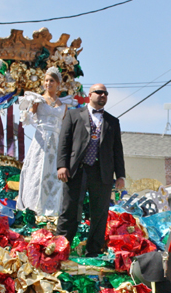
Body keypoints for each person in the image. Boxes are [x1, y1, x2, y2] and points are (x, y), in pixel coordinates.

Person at [56, 83, 125, 257]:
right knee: (69, 208)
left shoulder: (113, 121)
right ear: (90, 94)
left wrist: (121, 175)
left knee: (100, 212)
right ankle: (62, 248)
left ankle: (93, 251)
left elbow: (117, 150)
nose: (103, 95)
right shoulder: (73, 115)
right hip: (76, 170)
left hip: (101, 172)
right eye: (99, 92)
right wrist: (62, 165)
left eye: (106, 93)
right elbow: (64, 142)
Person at [16, 67, 77, 216]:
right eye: (46, 80)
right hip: (41, 140)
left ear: (57, 84)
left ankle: (52, 210)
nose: (48, 83)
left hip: (56, 142)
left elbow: (65, 126)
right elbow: (29, 118)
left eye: (51, 81)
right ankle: (33, 206)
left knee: (53, 173)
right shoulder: (38, 100)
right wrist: (27, 113)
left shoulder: (64, 104)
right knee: (37, 170)